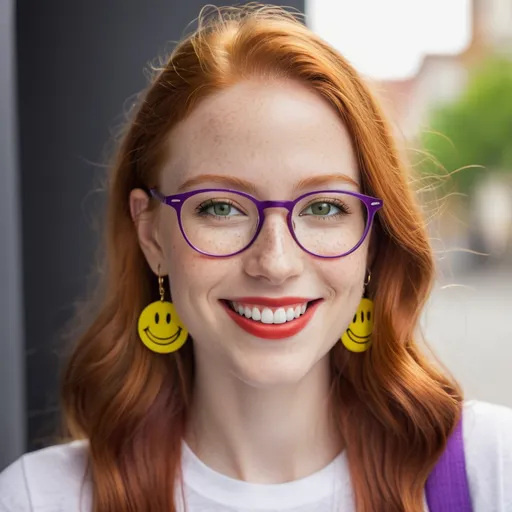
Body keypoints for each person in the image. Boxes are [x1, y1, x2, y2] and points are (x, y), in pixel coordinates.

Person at [1, 4, 511, 512]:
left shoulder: (492, 469)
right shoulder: (39, 498)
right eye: (220, 207)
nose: (276, 262)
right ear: (151, 234)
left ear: (373, 237)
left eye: (325, 207)